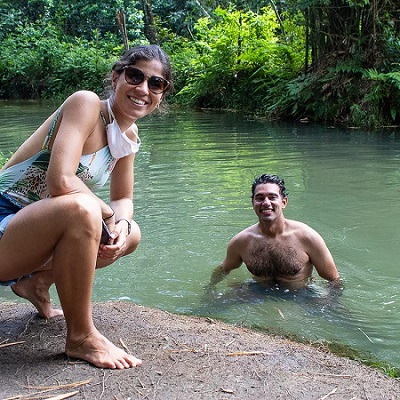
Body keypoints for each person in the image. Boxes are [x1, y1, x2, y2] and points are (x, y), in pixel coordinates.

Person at [0, 44, 173, 369]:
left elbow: (123, 199)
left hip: (27, 235)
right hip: (4, 219)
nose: (143, 89)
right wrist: (106, 214)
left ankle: (36, 283)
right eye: (135, 76)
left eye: (155, 83)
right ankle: (81, 337)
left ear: (162, 94)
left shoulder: (127, 134)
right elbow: (61, 181)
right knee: (84, 211)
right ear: (116, 77)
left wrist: (120, 226)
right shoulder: (86, 104)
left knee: (131, 234)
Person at [207, 174, 341, 291]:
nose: (266, 203)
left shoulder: (307, 237)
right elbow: (224, 268)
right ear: (253, 203)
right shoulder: (241, 241)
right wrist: (210, 288)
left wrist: (330, 301)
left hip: (301, 294)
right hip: (258, 292)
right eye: (260, 198)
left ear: (284, 202)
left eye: (272, 197)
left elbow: (334, 279)